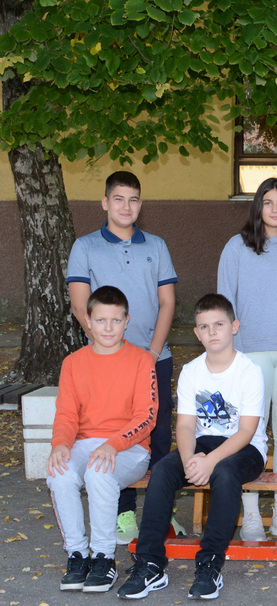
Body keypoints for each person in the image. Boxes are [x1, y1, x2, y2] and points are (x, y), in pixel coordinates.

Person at [119, 294, 268, 601]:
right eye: (204, 326)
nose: (212, 332)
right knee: (163, 470)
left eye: (219, 325)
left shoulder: (249, 371)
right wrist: (189, 460)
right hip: (202, 444)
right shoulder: (191, 371)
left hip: (246, 448)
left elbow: (246, 431)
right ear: (197, 333)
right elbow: (186, 426)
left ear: (234, 327)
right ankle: (150, 564)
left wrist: (209, 462)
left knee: (225, 473)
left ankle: (210, 563)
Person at [66, 170, 177, 545]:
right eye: (118, 199)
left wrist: (151, 353)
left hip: (154, 357)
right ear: (105, 202)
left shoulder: (156, 246)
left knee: (157, 433)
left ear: (140, 205)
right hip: (108, 361)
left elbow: (167, 303)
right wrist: (110, 351)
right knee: (115, 431)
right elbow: (81, 306)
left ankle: (161, 513)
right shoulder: (85, 247)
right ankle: (123, 513)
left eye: (133, 200)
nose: (126, 206)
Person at [218, 177, 277, 543]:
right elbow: (225, 302)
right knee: (250, 434)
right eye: (268, 202)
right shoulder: (237, 247)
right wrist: (232, 351)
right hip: (251, 354)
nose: (275, 209)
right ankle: (251, 516)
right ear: (258, 206)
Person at [47, 286, 156, 593]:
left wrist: (113, 444)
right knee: (59, 472)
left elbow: (146, 417)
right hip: (84, 443)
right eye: (100, 320)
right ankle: (77, 554)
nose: (108, 328)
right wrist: (60, 444)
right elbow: (66, 414)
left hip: (129, 447)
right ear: (88, 321)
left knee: (99, 470)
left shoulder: (141, 360)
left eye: (116, 320)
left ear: (127, 321)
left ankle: (104, 557)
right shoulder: (73, 363)